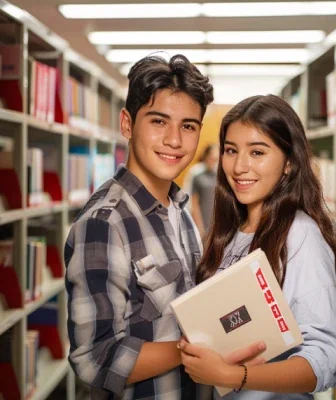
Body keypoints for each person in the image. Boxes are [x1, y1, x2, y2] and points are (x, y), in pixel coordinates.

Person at [64, 54, 264, 400]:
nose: (174, 140)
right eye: (159, 122)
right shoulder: (104, 224)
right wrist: (198, 349)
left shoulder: (180, 208)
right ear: (127, 124)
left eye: (188, 126)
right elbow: (94, 359)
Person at [179, 94, 336, 399]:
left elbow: (328, 358)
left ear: (289, 163)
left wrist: (233, 375)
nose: (239, 166)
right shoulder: (229, 232)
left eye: (257, 152)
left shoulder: (300, 236)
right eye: (231, 150)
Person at [191, 144, 219, 237]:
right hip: (202, 221)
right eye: (211, 158)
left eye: (216, 159)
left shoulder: (219, 177)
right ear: (206, 157)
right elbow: (194, 203)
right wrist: (199, 226)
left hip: (216, 222)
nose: (213, 161)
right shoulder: (197, 176)